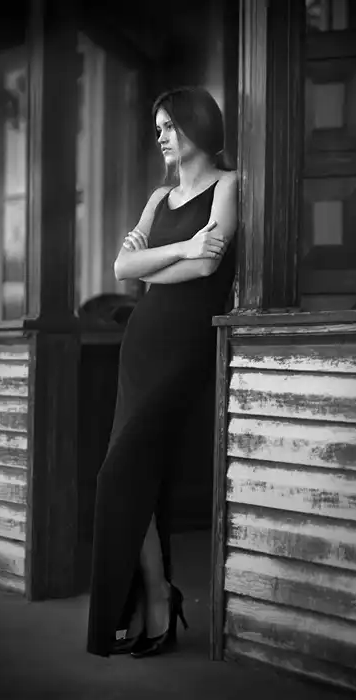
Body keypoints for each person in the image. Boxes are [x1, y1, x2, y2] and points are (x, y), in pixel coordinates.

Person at [86, 86, 238, 659]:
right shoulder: (158, 198)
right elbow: (121, 267)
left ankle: (158, 597)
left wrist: (164, 260)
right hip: (142, 345)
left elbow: (209, 264)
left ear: (199, 125)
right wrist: (181, 249)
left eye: (169, 125)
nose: (162, 137)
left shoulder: (230, 186)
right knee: (132, 477)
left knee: (118, 476)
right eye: (158, 129)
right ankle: (158, 594)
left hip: (186, 348)